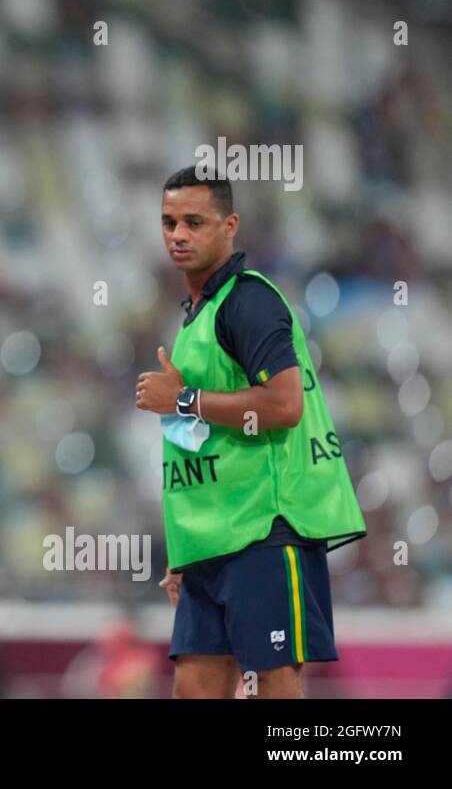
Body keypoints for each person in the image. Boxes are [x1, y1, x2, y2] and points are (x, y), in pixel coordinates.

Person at [135, 165, 366, 699]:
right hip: (212, 537)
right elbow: (196, 438)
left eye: (194, 221)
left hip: (265, 529)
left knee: (273, 683)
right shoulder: (197, 315)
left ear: (230, 225)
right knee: (194, 686)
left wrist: (185, 399)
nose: (178, 235)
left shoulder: (248, 301)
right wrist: (184, 549)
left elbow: (284, 405)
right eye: (169, 222)